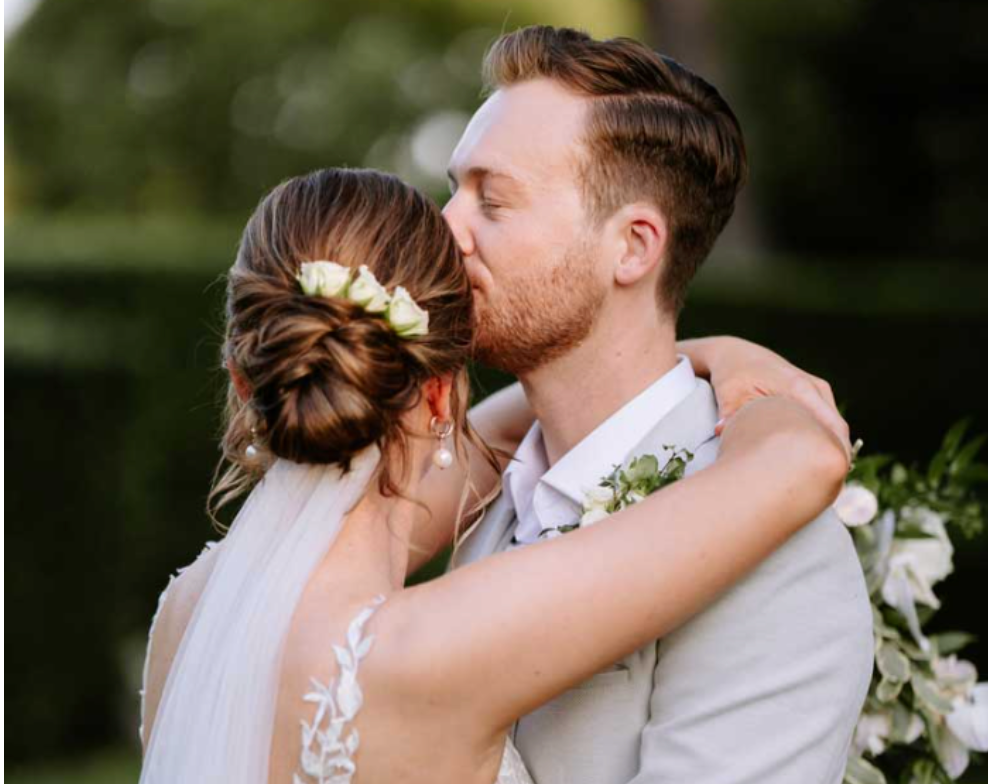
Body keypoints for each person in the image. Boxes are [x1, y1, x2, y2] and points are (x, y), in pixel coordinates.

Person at [138, 166, 855, 784]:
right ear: (442, 392)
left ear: (240, 376)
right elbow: (804, 461)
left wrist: (697, 354)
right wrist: (738, 361)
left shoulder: (189, 614)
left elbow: (491, 429)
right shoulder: (440, 646)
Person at [443, 25, 873, 784]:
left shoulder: (775, 551)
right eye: (454, 190)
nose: (445, 229)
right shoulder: (486, 495)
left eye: (493, 200)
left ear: (634, 248)